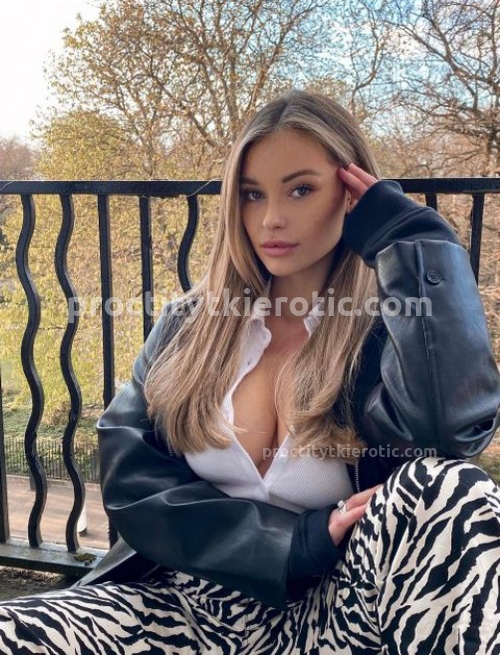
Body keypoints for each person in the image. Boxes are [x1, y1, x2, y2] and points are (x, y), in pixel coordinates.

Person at [0, 89, 499, 654]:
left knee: (453, 488)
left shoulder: (391, 332)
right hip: (181, 604)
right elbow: (130, 476)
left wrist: (414, 241)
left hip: (334, 612)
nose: (272, 218)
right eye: (252, 194)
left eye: (301, 189)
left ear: (353, 194)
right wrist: (296, 541)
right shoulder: (191, 324)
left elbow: (445, 439)